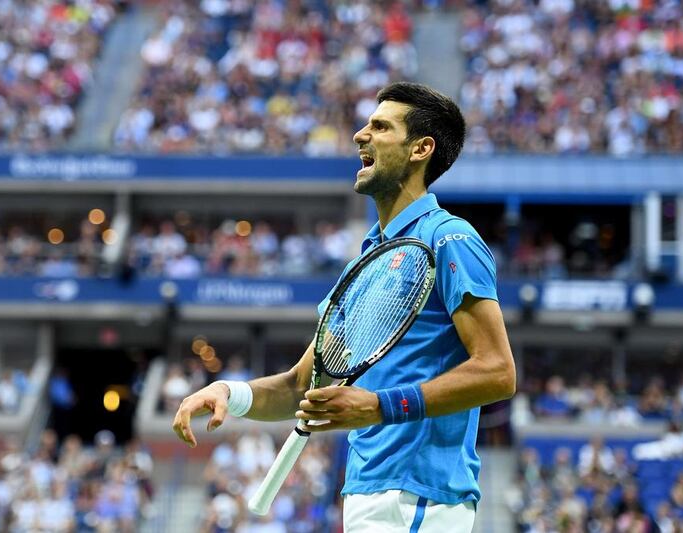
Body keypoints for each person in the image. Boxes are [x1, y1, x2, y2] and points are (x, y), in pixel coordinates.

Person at [173, 82, 516, 532]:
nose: (359, 135)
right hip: (365, 493)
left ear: (421, 149)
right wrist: (230, 394)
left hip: (418, 497)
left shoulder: (450, 238)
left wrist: (378, 406)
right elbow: (302, 385)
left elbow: (497, 371)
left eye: (380, 126)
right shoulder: (365, 261)